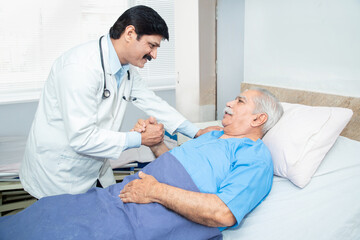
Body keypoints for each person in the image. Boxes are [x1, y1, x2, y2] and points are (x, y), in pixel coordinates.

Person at [0, 88, 283, 240]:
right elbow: (173, 165)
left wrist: (155, 192)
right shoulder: (214, 135)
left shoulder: (255, 157)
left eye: (241, 101)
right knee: (49, 210)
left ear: (258, 119)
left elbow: (222, 213)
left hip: (144, 221)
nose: (231, 102)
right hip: (116, 199)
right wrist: (156, 144)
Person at [20, 5, 217, 199]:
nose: (154, 55)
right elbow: (82, 138)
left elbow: (152, 102)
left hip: (91, 168)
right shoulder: (79, 69)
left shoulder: (125, 69)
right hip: (59, 174)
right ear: (130, 33)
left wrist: (195, 132)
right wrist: (139, 139)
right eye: (152, 45)